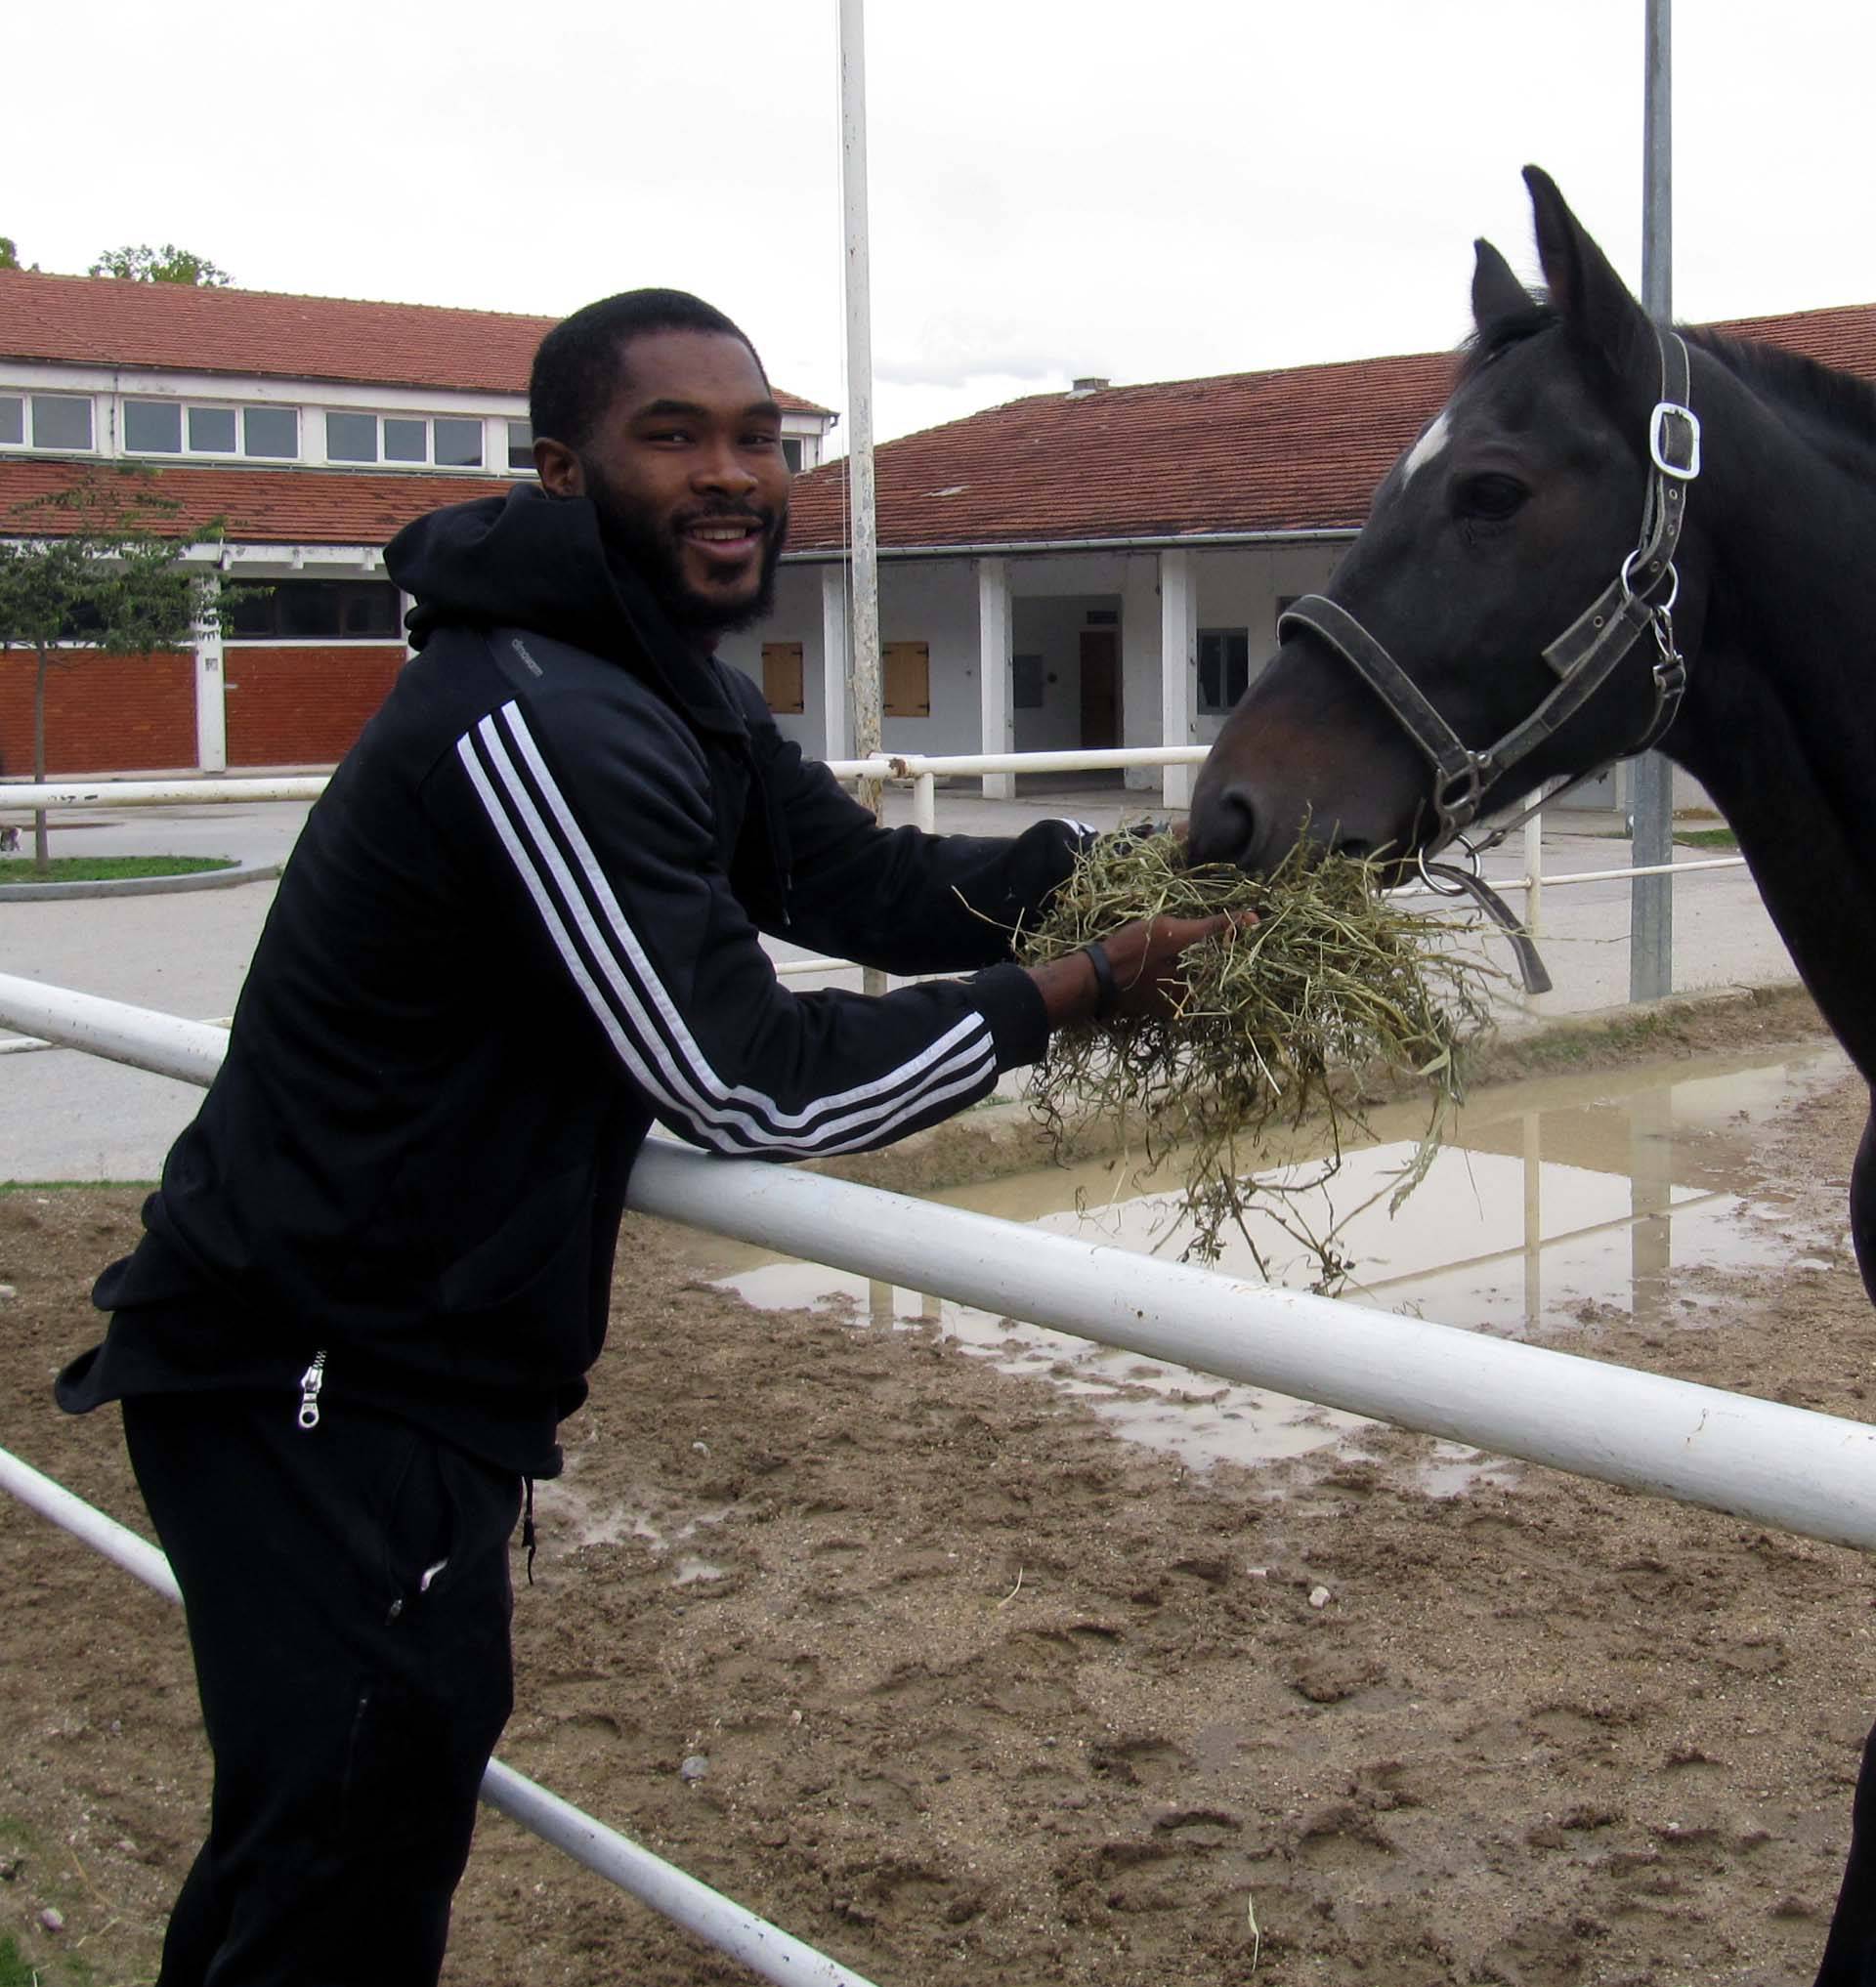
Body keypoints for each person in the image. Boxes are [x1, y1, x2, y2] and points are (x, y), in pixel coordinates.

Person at [55, 288, 1233, 1986]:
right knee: (338, 1882)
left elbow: (862, 881)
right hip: (318, 1389)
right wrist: (1082, 991)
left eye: (756, 436)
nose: (731, 471)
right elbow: (750, 1081)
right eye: (670, 436)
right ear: (561, 472)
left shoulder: (649, 680)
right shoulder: (538, 717)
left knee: (308, 1857)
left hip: (382, 1380)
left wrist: (1139, 869)